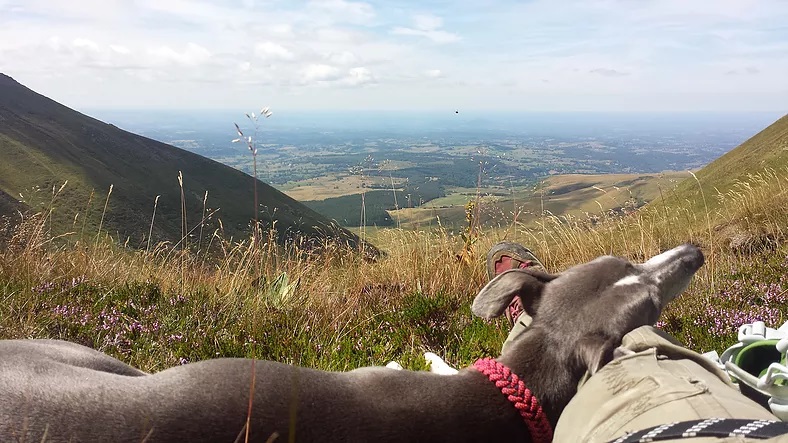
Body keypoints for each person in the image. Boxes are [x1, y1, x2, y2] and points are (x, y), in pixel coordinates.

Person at [486, 242, 788, 442]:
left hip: (627, 425)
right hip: (754, 427)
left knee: (563, 339)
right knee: (629, 346)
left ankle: (532, 317)